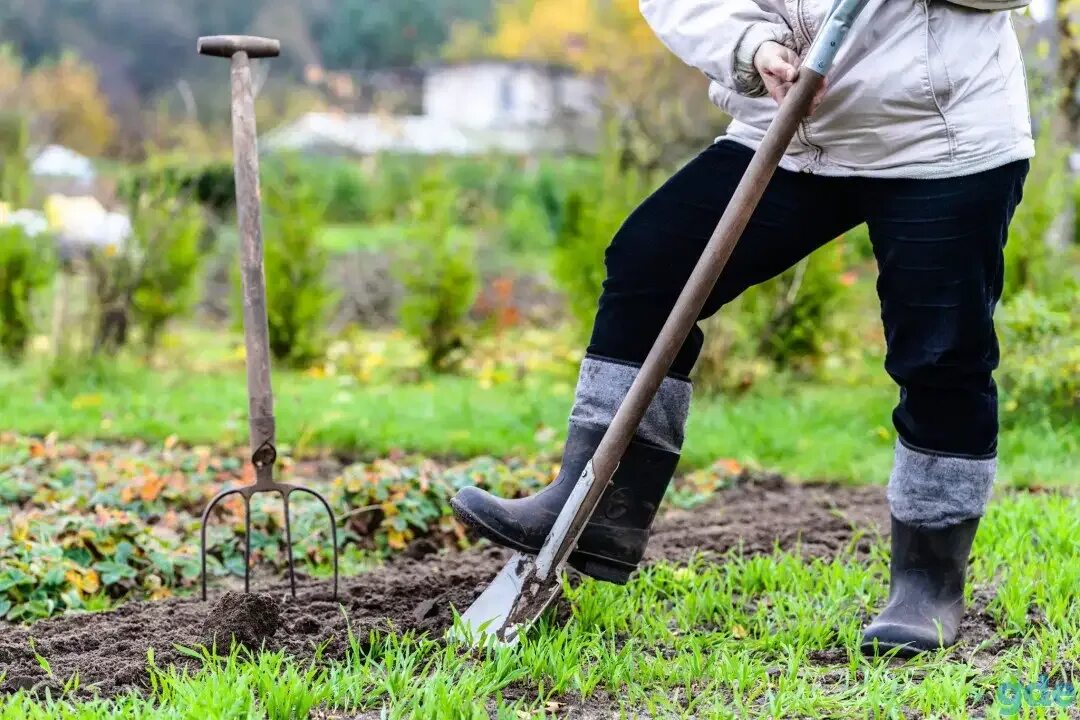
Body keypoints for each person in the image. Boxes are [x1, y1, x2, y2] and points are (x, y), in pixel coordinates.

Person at [451, 0, 1033, 657]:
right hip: (790, 125)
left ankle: (927, 583)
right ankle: (597, 505)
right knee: (654, 262)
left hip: (937, 138)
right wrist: (749, 47)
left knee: (939, 350)